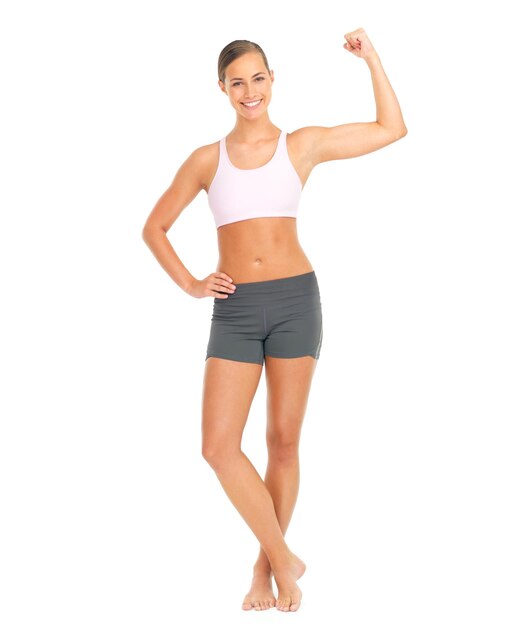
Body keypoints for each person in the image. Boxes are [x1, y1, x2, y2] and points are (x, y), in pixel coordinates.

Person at [142, 29, 407, 612]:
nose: (249, 89)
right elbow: (153, 227)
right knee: (218, 447)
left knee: (282, 442)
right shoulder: (206, 160)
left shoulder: (301, 145)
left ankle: (267, 572)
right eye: (237, 81)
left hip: (294, 300)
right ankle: (288, 557)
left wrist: (373, 61)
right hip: (234, 308)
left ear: (271, 80)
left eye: (258, 77)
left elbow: (392, 129)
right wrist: (191, 283)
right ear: (222, 89)